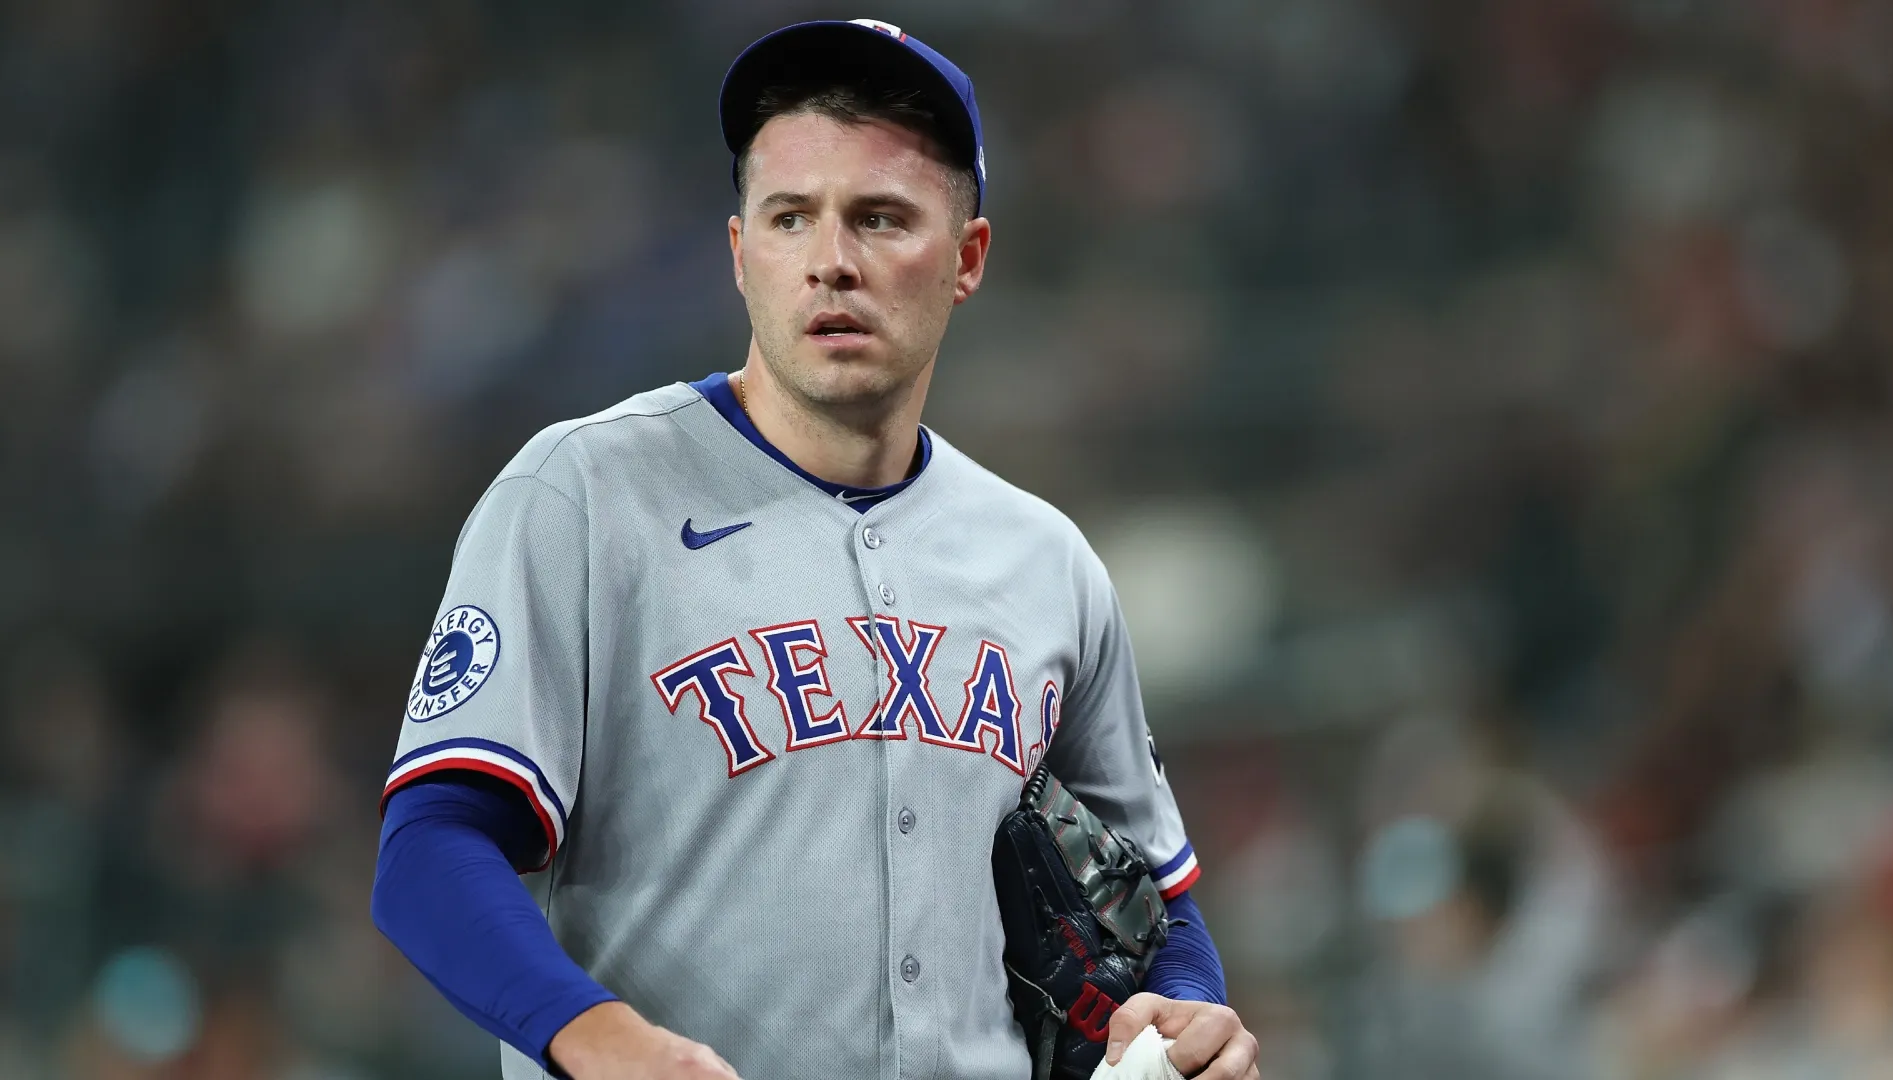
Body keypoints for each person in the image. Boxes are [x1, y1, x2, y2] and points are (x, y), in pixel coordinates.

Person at [370, 18, 1257, 1080]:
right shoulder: (584, 495)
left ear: (967, 259)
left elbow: (1159, 909)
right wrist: (598, 1038)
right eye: (792, 218)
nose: (831, 262)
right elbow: (429, 849)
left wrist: (1188, 1013)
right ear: (742, 255)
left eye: (881, 219)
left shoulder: (1045, 561)